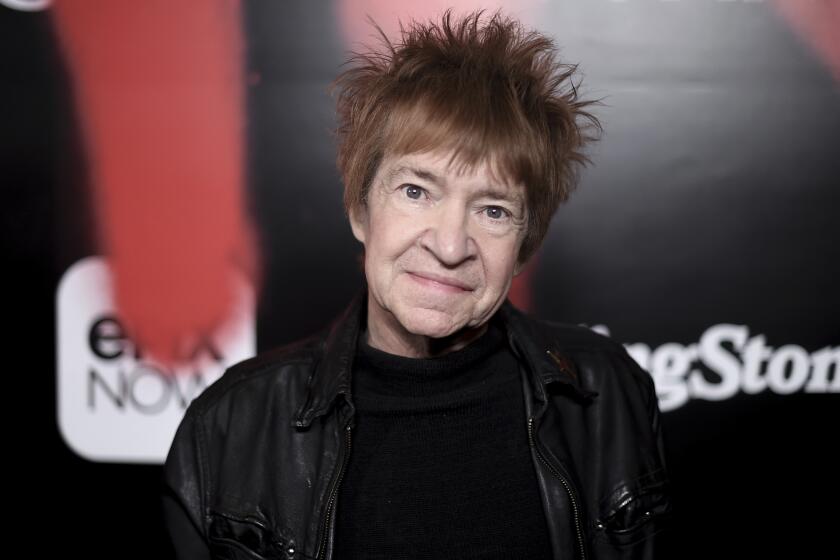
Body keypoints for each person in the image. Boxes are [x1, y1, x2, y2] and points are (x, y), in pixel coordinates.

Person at [161, 9, 671, 560]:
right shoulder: (233, 424)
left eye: (494, 210)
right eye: (415, 191)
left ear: (525, 246)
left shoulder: (606, 394)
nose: (450, 246)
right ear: (361, 208)